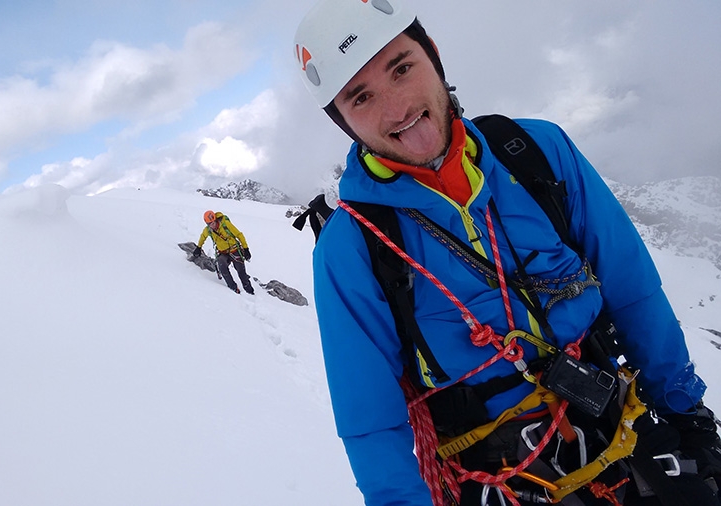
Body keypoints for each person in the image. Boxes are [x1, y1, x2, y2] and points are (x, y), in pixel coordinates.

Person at [293, 1, 721, 505]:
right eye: (361, 97)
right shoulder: (354, 245)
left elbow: (631, 289)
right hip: (497, 475)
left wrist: (683, 409)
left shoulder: (536, 150)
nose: (396, 109)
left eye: (401, 68)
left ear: (433, 55)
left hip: (620, 424)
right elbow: (371, 417)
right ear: (342, 121)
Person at [194, 210, 254, 295]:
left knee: (241, 271)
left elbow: (239, 235)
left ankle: (249, 291)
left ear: (215, 219)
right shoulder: (208, 230)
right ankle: (233, 288)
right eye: (210, 224)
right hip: (222, 252)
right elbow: (202, 237)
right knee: (223, 268)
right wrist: (198, 247)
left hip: (234, 250)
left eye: (213, 223)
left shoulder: (225, 224)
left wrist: (246, 248)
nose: (212, 225)